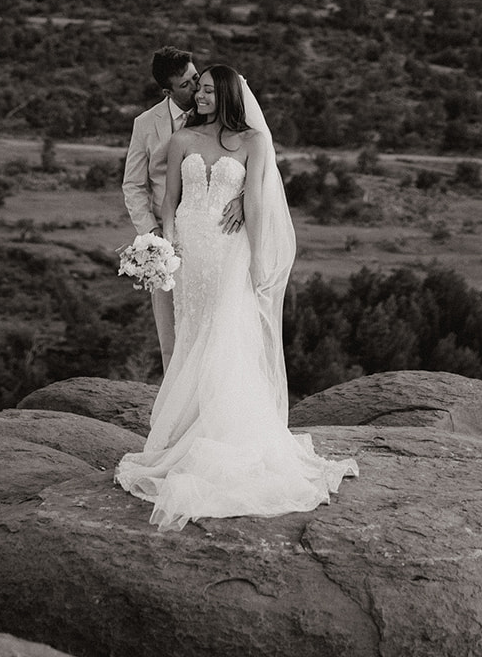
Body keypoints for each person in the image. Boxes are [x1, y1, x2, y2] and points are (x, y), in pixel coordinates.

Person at [116, 65, 357, 532]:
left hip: (229, 252)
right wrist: (167, 247)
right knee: (193, 336)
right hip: (189, 250)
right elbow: (169, 201)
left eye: (206, 90)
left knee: (226, 335)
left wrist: (257, 261)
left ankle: (228, 437)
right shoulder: (183, 138)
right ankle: (187, 433)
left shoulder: (255, 142)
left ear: (225, 94)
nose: (198, 97)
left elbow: (261, 202)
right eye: (196, 89)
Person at [122, 46, 243, 371]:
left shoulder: (223, 115)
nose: (196, 87)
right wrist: (153, 236)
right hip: (166, 240)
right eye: (187, 84)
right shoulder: (146, 124)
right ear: (168, 91)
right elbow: (133, 185)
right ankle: (176, 412)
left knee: (219, 333)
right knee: (172, 335)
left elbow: (253, 167)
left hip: (216, 237)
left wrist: (243, 198)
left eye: (196, 77)